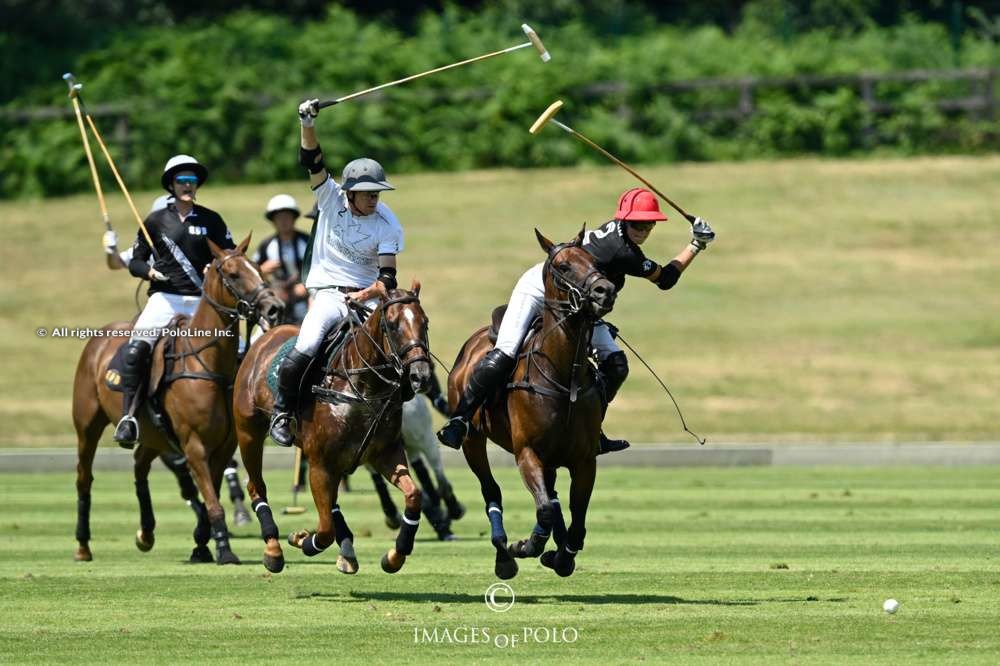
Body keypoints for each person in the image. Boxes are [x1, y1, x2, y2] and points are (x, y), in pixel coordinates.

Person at [436, 187, 716, 454]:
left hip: (579, 307)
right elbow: (666, 279)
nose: (642, 231)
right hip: (540, 288)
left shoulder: (622, 236)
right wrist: (696, 244)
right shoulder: (623, 252)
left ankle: (592, 429)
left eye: (649, 226)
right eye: (637, 225)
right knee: (507, 350)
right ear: (624, 220)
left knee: (616, 365)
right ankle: (459, 420)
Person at [268, 99, 403, 447]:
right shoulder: (329, 199)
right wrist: (307, 124)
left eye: (377, 192)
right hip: (329, 293)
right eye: (367, 193)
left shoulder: (387, 222)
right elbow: (312, 161)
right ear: (350, 193)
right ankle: (283, 412)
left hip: (367, 295)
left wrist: (367, 294)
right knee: (309, 342)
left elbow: (388, 278)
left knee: (403, 341)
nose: (374, 198)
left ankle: (395, 408)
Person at [112, 155, 235, 447]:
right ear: (171, 185)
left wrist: (215, 266)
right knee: (134, 350)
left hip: (202, 301)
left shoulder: (211, 220)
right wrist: (150, 271)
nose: (187, 186)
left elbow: (230, 255)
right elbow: (135, 262)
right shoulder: (155, 222)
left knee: (238, 348)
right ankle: (129, 416)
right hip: (165, 299)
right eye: (181, 181)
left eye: (192, 181)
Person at [251, 195, 310, 325]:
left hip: (305, 301)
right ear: (273, 221)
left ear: (294, 218)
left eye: (287, 217)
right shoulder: (267, 245)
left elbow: (321, 268)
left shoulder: (307, 241)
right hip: (277, 301)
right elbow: (250, 272)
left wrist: (307, 286)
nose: (283, 221)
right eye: (279, 218)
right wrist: (262, 270)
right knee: (258, 340)